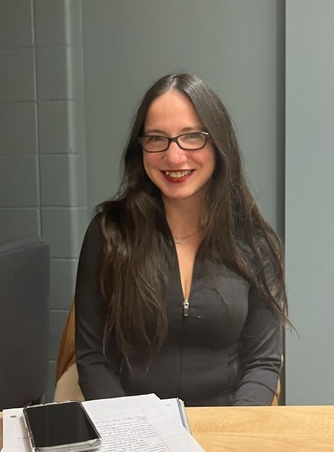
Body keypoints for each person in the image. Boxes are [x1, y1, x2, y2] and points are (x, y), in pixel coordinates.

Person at [75, 72, 290, 406]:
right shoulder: (109, 233)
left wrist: (233, 432)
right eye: (157, 139)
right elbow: (93, 359)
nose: (174, 157)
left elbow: (262, 362)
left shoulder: (254, 239)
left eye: (192, 137)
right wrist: (132, 432)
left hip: (226, 425)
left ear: (219, 143)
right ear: (140, 148)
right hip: (134, 429)